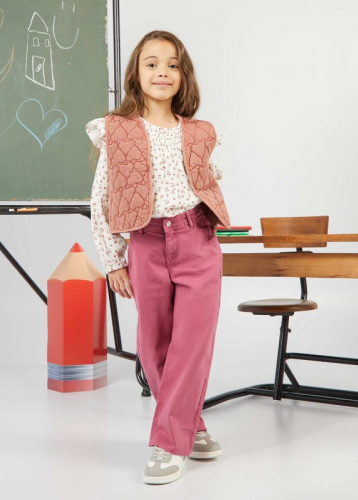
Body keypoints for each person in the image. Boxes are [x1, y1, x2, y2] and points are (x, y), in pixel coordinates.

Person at [85, 30, 231, 485]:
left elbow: (206, 177)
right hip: (145, 244)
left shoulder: (199, 132)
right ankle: (192, 425)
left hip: (196, 241)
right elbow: (102, 198)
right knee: (154, 346)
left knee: (192, 343)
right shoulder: (116, 129)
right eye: (152, 63)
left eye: (172, 65)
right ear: (136, 74)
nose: (162, 72)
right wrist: (113, 260)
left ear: (183, 77)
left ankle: (167, 442)